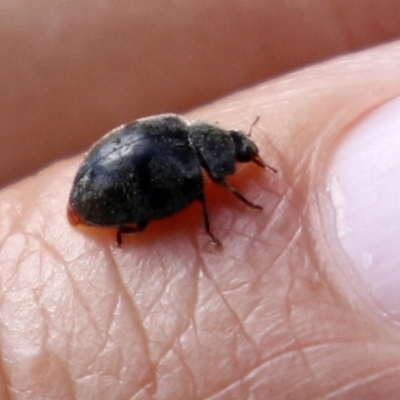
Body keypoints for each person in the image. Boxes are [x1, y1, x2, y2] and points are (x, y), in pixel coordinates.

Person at [1, 1, 400, 398]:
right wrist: (229, 210)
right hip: (100, 194)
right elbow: (208, 197)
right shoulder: (194, 170)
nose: (244, 153)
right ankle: (123, 223)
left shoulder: (180, 132)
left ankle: (124, 222)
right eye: (240, 152)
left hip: (103, 176)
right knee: (165, 210)